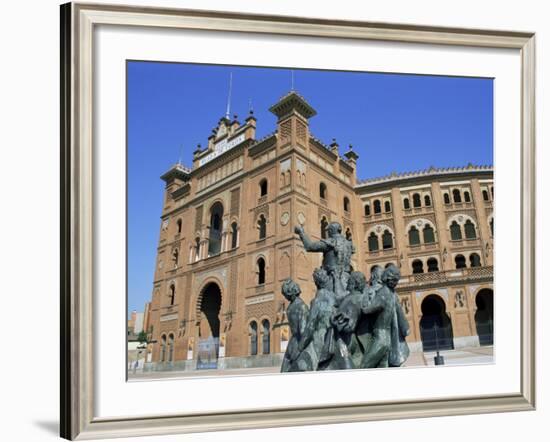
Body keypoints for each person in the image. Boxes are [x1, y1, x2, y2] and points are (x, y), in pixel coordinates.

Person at [294, 222, 354, 304]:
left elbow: (309, 246)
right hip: (347, 279)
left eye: (328, 231)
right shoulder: (348, 244)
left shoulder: (330, 242)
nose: (327, 233)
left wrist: (301, 232)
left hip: (332, 280)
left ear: (331, 230)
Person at [359, 265, 401, 368]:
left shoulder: (383, 293)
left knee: (363, 367)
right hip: (387, 340)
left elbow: (366, 310)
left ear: (386, 276)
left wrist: (363, 295)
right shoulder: (392, 294)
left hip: (379, 339)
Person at [295, 268, 336, 371]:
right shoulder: (334, 297)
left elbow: (310, 327)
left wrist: (299, 347)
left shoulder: (317, 301)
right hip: (332, 337)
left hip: (319, 339)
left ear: (316, 283)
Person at [280, 279, 309, 372]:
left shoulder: (291, 307)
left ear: (290, 292)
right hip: (298, 341)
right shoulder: (301, 306)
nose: (285, 297)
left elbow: (301, 330)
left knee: (286, 369)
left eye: (285, 294)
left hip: (294, 342)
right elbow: (303, 331)